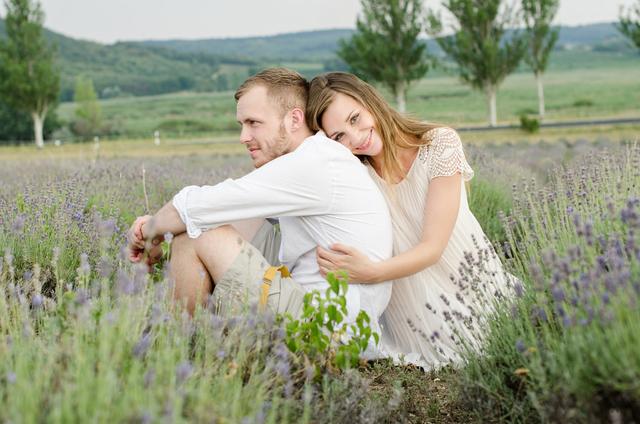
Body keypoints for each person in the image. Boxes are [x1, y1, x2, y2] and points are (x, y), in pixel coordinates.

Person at [126, 68, 393, 349]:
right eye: (242, 124)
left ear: (293, 120)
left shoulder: (312, 163)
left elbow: (196, 206)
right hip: (342, 314)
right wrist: (163, 232)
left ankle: (174, 349)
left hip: (332, 329)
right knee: (222, 221)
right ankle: (188, 337)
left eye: (254, 123)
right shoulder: (318, 155)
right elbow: (220, 209)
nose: (243, 136)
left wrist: (149, 231)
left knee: (198, 232)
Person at [306, 72, 513, 369]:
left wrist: (371, 272)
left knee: (490, 347)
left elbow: (433, 247)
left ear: (371, 102)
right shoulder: (353, 174)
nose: (355, 138)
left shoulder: (438, 144)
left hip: (469, 285)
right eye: (338, 136)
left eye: (354, 119)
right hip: (412, 310)